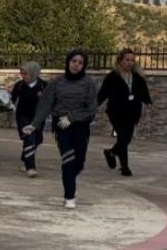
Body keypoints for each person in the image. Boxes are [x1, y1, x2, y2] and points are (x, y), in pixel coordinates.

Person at [23, 49, 99, 209]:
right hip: (61, 126)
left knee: (79, 162)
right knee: (68, 159)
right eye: (74, 61)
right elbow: (45, 104)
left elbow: (92, 108)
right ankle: (69, 196)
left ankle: (69, 180)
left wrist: (73, 117)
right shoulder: (57, 82)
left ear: (83, 65)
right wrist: (35, 124)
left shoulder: (89, 83)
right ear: (68, 62)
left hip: (80, 125)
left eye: (80, 62)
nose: (76, 65)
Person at [98, 48, 153, 177]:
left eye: (132, 60)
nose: (130, 63)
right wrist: (94, 105)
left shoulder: (137, 77)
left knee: (126, 138)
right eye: (127, 60)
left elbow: (143, 91)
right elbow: (103, 93)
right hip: (116, 111)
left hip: (133, 111)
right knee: (122, 136)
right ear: (120, 60)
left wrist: (148, 102)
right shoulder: (113, 76)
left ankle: (111, 152)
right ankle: (125, 166)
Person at [10, 61, 46, 178]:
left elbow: (51, 101)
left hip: (38, 118)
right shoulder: (19, 85)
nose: (23, 76)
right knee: (29, 138)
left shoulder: (43, 86)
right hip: (23, 117)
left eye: (26, 73)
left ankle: (25, 156)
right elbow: (11, 99)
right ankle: (30, 167)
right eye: (22, 73)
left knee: (38, 139)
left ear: (33, 73)